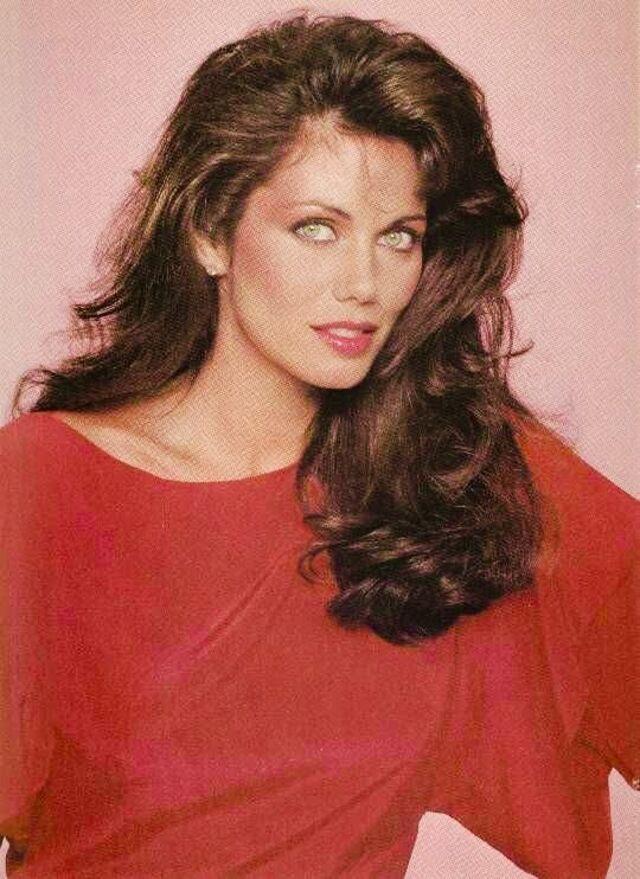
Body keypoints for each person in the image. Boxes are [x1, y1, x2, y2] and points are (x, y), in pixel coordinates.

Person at [0, 10, 637, 878]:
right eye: (316, 227)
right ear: (210, 231)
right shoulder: (41, 484)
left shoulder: (455, 470)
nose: (365, 284)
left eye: (399, 236)